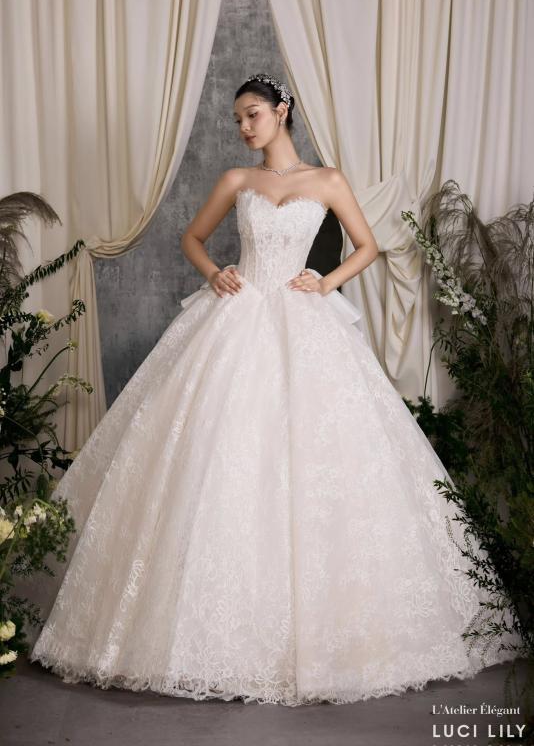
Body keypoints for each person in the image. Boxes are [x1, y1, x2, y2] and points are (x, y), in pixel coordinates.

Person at [29, 72, 522, 707]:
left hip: (305, 319)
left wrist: (326, 281)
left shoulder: (328, 180)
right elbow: (191, 239)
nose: (243, 127)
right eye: (237, 118)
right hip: (237, 319)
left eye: (253, 114)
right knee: (218, 457)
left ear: (282, 111)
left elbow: (368, 246)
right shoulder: (238, 180)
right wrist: (216, 273)